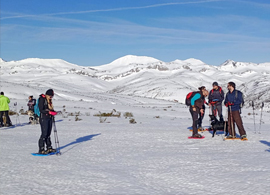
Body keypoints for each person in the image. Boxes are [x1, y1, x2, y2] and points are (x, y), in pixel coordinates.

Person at [38, 89, 58, 154]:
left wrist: (53, 112)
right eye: (50, 95)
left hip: (49, 118)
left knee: (48, 134)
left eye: (52, 96)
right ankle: (41, 149)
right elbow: (41, 109)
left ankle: (49, 147)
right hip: (43, 118)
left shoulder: (49, 101)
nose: (51, 97)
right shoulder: (42, 99)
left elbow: (49, 108)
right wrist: (49, 112)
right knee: (44, 133)